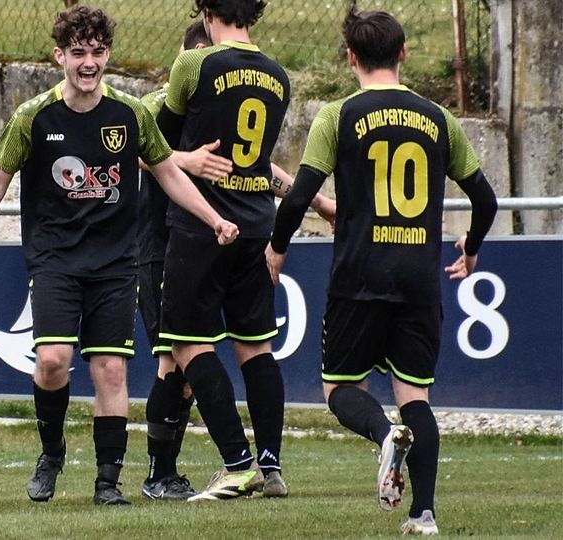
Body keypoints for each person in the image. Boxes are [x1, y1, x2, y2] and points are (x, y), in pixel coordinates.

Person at [0, 5, 239, 506]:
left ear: (108, 56)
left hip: (116, 264)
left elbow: (167, 172)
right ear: (59, 56)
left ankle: (107, 482)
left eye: (97, 53)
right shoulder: (32, 116)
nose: (88, 63)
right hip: (55, 260)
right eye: (78, 53)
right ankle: (52, 451)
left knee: (112, 370)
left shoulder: (131, 113)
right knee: (53, 361)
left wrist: (214, 219)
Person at [265, 6, 497, 535]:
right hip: (418, 278)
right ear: (405, 53)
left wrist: (277, 247)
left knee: (340, 389)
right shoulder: (439, 118)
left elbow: (300, 194)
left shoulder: (338, 115)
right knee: (416, 395)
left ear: (350, 57)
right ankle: (425, 514)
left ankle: (383, 433)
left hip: (359, 275)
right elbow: (484, 198)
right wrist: (473, 244)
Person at [138, 19, 335, 501]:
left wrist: (318, 202)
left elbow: (251, 162)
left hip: (191, 236)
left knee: (181, 354)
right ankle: (228, 467)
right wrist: (188, 159)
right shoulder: (152, 104)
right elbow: (136, 151)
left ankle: (228, 466)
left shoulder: (208, 82)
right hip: (182, 240)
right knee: (196, 360)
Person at [151, 0, 292, 501]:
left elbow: (158, 146)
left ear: (207, 11)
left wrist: (186, 160)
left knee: (188, 344)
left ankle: (236, 463)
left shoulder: (195, 62)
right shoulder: (279, 76)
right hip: (257, 225)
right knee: (256, 347)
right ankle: (272, 466)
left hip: (202, 226)